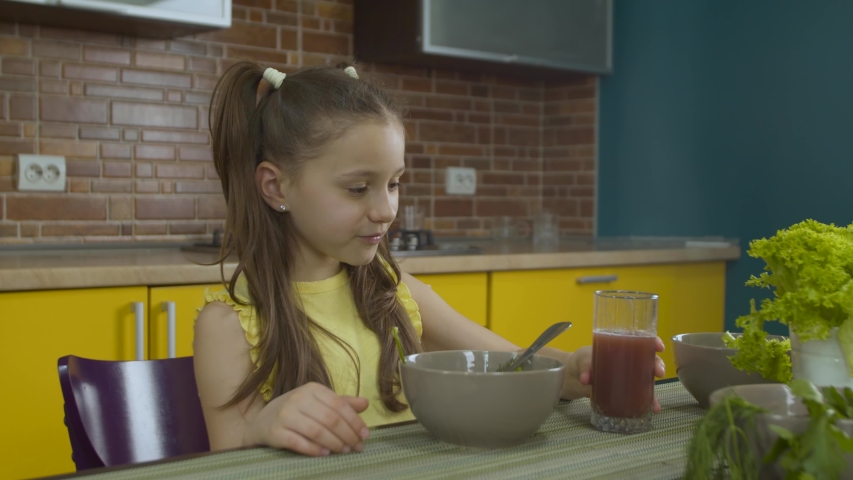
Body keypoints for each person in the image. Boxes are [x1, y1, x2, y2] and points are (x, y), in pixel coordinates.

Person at [193, 61, 666, 458]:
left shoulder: (392, 288)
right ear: (276, 187)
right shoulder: (227, 323)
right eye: (358, 188)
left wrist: (578, 370)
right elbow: (228, 448)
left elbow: (510, 362)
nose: (386, 210)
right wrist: (264, 426)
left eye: (394, 183)